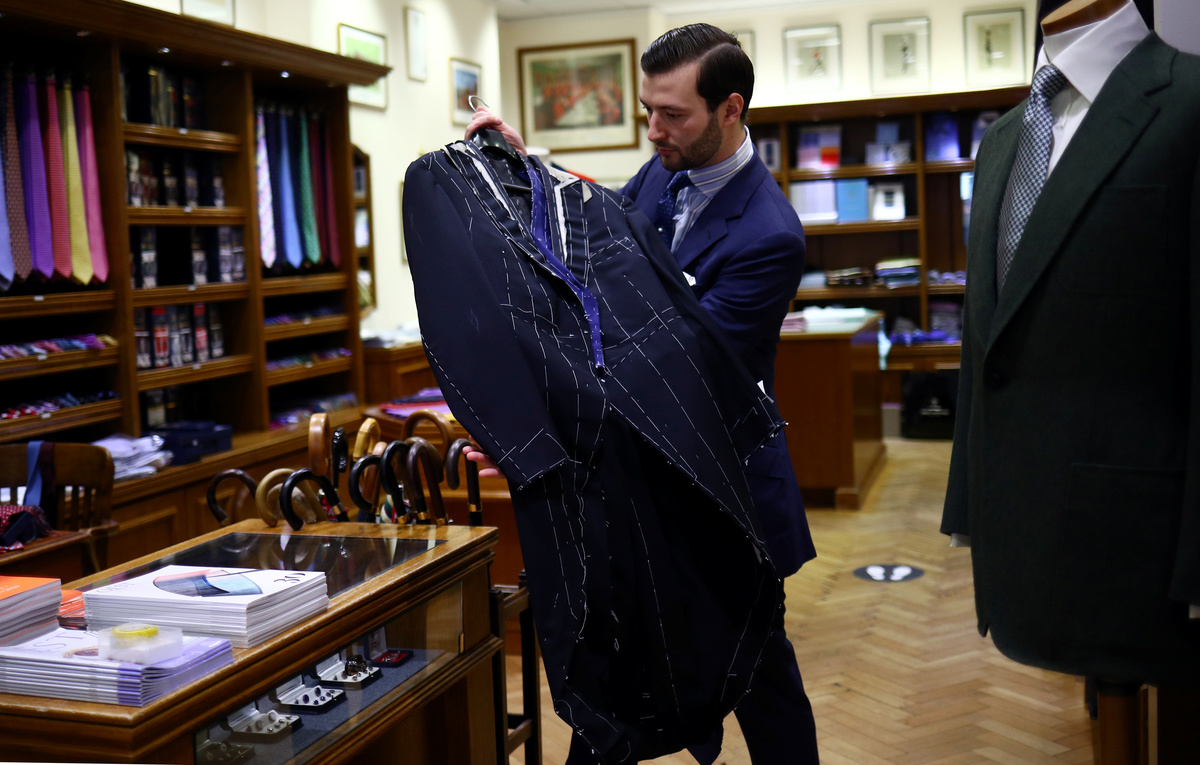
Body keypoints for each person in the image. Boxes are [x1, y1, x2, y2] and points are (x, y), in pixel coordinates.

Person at [465, 23, 819, 764]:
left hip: (723, 493)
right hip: (642, 479)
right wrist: (523, 167)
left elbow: (679, 370)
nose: (653, 130)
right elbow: (598, 230)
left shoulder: (769, 235)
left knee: (760, 675)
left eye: (673, 114)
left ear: (730, 108)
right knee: (621, 670)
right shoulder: (665, 167)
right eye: (647, 110)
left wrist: (555, 411)